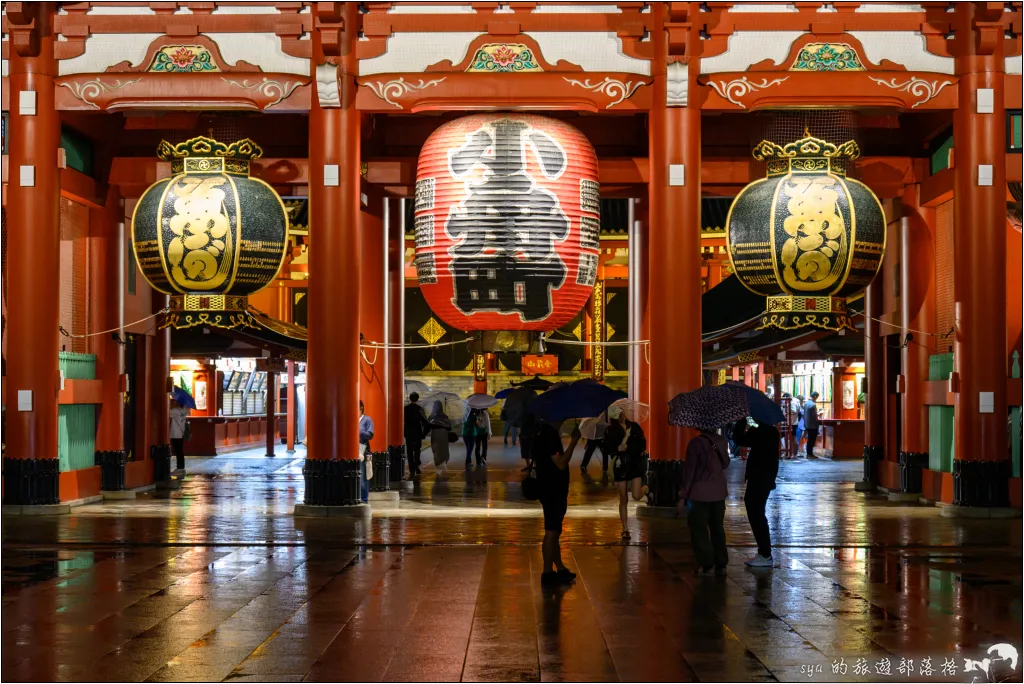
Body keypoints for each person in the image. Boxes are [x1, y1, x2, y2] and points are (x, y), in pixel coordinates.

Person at [533, 416, 582, 586]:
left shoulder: (545, 432)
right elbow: (560, 463)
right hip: (552, 489)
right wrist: (574, 442)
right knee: (551, 531)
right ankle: (547, 573)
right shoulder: (549, 435)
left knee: (555, 531)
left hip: (550, 487)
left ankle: (559, 567)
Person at [678, 427, 731, 576]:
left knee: (698, 529)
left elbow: (690, 471)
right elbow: (726, 464)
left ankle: (706, 563)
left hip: (699, 493)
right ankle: (721, 564)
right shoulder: (722, 441)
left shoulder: (695, 443)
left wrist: (683, 495)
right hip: (719, 492)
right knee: (717, 528)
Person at [733, 420, 780, 567]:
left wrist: (741, 422)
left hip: (758, 477)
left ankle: (765, 553)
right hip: (766, 477)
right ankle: (764, 552)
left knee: (756, 514)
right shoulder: (772, 431)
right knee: (758, 513)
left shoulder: (760, 431)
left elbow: (739, 439)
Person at [605, 407, 649, 539]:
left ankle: (646, 489)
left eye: (621, 414)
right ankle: (625, 529)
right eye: (617, 416)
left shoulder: (634, 427)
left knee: (636, 495)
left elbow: (643, 444)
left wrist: (629, 447)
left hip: (635, 464)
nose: (621, 417)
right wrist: (616, 448)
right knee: (623, 498)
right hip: (620, 465)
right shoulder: (610, 430)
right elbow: (606, 448)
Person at [404, 392, 431, 477]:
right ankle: (416, 466)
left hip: (408, 433)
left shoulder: (406, 409)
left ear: (410, 398)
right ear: (417, 399)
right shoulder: (419, 409)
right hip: (417, 433)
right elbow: (426, 423)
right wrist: (424, 434)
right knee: (417, 450)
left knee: (409, 451)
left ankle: (412, 469)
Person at [579, 410, 609, 475]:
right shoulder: (594, 414)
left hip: (599, 436)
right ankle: (583, 466)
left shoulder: (604, 412)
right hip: (596, 436)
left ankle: (605, 467)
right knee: (591, 451)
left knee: (603, 452)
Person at [428, 401, 451, 476]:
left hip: (435, 434)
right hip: (444, 434)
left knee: (435, 450)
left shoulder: (431, 417)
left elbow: (428, 426)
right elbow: (449, 427)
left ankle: (437, 468)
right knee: (443, 449)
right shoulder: (445, 416)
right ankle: (443, 463)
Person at [358, 400, 374, 503]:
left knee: (362, 476)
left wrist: (358, 431)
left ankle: (364, 499)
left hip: (362, 449)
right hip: (350, 448)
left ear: (361, 408)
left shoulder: (367, 420)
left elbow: (370, 434)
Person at [169, 398, 190, 471]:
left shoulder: (175, 411)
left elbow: (166, 413)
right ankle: (181, 466)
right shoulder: (184, 411)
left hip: (175, 433)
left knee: (177, 450)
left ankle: (179, 466)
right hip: (181, 433)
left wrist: (170, 405)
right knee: (180, 450)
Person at [803, 392, 820, 459]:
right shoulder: (813, 405)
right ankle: (810, 454)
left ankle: (808, 453)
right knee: (812, 440)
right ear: (815, 396)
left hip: (807, 424)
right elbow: (814, 416)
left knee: (809, 439)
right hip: (813, 425)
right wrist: (819, 414)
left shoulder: (806, 403)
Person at [783, 392, 800, 459]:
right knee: (792, 438)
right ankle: (793, 453)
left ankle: (793, 453)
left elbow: (793, 411)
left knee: (792, 438)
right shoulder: (796, 401)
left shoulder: (792, 403)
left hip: (792, 422)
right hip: (794, 422)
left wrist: (786, 413)